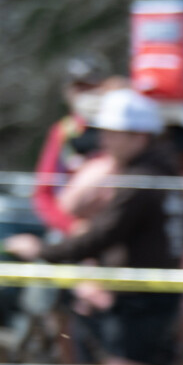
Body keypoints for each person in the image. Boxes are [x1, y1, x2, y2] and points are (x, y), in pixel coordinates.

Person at [6, 88, 183, 365]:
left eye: (115, 133)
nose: (105, 141)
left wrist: (46, 251)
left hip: (141, 301)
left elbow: (106, 233)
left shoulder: (142, 179)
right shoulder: (166, 175)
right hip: (154, 296)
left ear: (140, 136)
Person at [32, 55, 108, 239]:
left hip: (113, 225)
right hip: (71, 231)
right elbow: (43, 195)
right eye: (77, 87)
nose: (83, 93)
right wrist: (72, 226)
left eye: (89, 86)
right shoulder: (63, 131)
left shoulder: (121, 130)